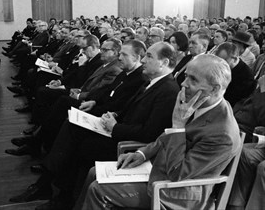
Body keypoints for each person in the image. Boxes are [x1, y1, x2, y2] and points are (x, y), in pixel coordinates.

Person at [9, 42, 180, 209]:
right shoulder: (151, 81)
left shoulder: (168, 91)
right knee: (72, 126)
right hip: (117, 130)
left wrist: (115, 127)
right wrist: (115, 115)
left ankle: (58, 193)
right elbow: (128, 108)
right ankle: (49, 187)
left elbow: (150, 133)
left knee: (80, 144)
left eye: (149, 56)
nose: (143, 60)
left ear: (164, 63)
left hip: (126, 145)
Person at [75, 54, 241, 210]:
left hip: (176, 193)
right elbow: (165, 137)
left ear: (214, 89)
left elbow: (178, 174)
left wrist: (178, 126)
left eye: (193, 79)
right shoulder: (199, 102)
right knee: (94, 172)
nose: (183, 84)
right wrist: (142, 153)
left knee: (99, 189)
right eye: (186, 76)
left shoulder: (222, 134)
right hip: (157, 171)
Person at [228, 75, 265, 210]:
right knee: (244, 153)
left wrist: (264, 91)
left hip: (247, 130)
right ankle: (235, 205)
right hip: (241, 126)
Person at [215, 42, 257, 107]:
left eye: (223, 61)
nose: (219, 64)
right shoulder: (223, 66)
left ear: (234, 59)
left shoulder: (246, 77)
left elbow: (234, 101)